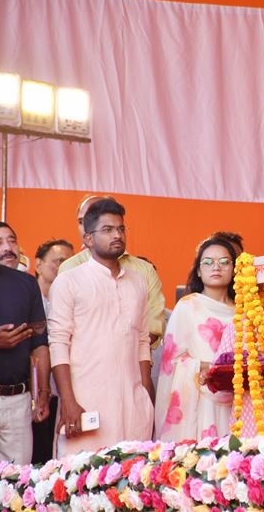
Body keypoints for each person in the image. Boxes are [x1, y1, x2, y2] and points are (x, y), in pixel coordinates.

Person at [49, 199, 154, 455]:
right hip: (86, 404)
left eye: (121, 228)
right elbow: (58, 344)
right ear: (88, 239)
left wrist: (146, 395)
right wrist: (69, 401)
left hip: (133, 404)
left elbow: (142, 341)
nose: (117, 235)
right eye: (107, 230)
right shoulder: (69, 281)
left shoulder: (138, 282)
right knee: (84, 484)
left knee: (131, 483)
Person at [155, 237, 236, 441]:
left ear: (235, 268)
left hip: (237, 399)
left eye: (224, 262)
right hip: (199, 400)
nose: (216, 267)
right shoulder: (187, 307)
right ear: (199, 271)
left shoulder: (244, 311)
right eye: (208, 262)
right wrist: (204, 367)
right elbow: (171, 363)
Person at [59, 194, 166, 348]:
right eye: (81, 221)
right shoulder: (69, 269)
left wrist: (121, 352)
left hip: (135, 363)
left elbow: (153, 327)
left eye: (118, 228)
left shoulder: (144, 271)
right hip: (85, 365)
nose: (85, 226)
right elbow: (62, 336)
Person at [0, 239, 51, 465]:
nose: (7, 247)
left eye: (12, 241)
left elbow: (39, 342)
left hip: (18, 400)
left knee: (17, 489)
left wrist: (44, 391)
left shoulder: (25, 283)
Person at [31, 238, 73, 464]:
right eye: (58, 261)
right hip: (30, 394)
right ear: (38, 265)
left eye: (69, 262)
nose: (64, 268)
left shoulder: (71, 301)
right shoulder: (28, 299)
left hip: (61, 392)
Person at [34, 239, 74, 313]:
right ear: (38, 265)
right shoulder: (25, 299)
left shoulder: (73, 300)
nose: (68, 266)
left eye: (71, 262)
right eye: (60, 261)